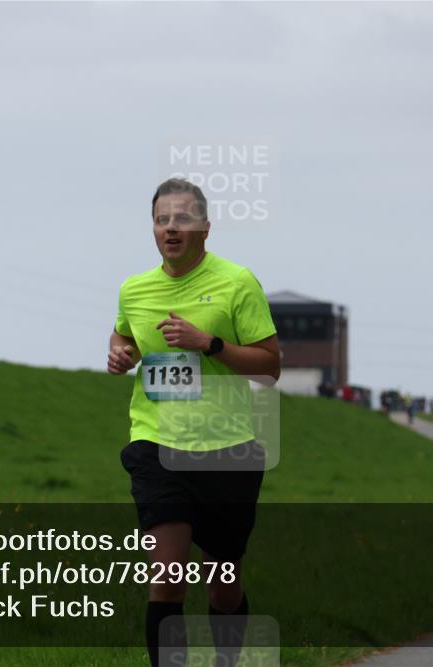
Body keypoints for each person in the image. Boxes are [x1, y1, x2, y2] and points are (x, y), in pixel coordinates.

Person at [108, 178, 280, 667]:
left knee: (223, 588)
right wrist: (121, 356)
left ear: (205, 227)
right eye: (162, 220)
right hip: (157, 444)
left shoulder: (237, 282)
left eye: (182, 218)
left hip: (229, 452)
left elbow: (270, 365)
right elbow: (125, 336)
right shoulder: (135, 289)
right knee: (166, 579)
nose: (171, 228)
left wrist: (210, 344)